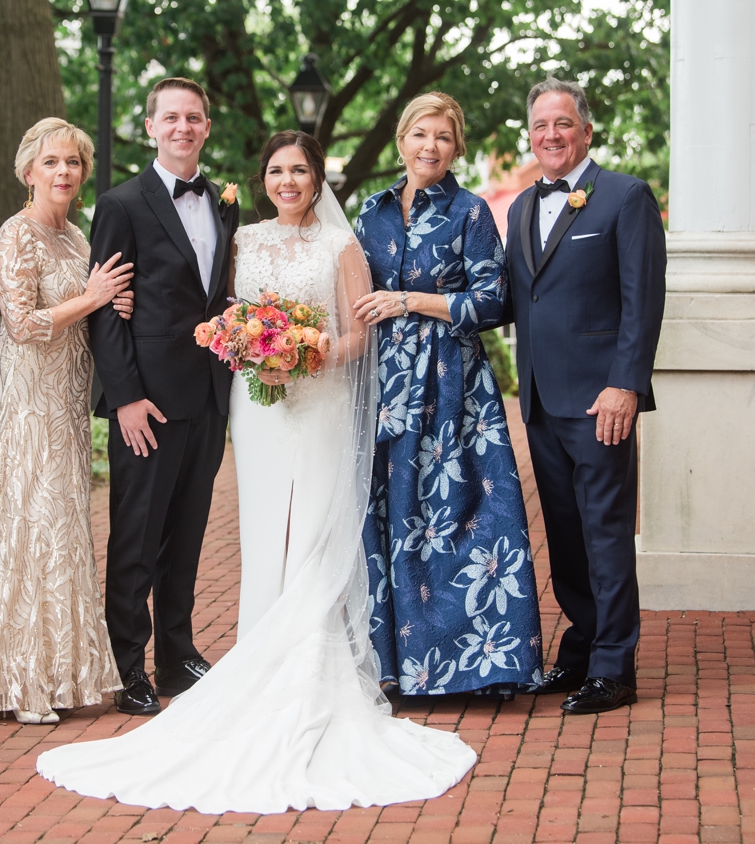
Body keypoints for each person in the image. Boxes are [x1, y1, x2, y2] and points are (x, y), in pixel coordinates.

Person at [36, 132, 477, 814]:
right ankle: (257, 656)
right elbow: (212, 305)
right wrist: (216, 333)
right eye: (276, 169)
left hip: (320, 399)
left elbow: (361, 333)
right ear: (263, 177)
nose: (289, 180)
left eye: (300, 169)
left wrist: (312, 353)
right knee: (266, 530)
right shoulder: (241, 237)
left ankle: (308, 671)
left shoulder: (341, 246)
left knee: (314, 534)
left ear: (316, 176)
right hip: (257, 408)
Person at [0, 118, 134, 725]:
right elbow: (21, 323)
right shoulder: (13, 235)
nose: (64, 173)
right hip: (26, 401)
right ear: (29, 172)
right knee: (27, 523)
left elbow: (92, 309)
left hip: (69, 401)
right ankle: (18, 681)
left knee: (63, 527)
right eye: (51, 162)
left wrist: (115, 302)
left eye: (73, 163)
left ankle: (58, 674)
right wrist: (94, 298)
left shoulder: (79, 240)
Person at [352, 92, 543, 697]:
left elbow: (494, 301)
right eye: (419, 134)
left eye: (442, 136)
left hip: (453, 386)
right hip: (384, 384)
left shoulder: (471, 211)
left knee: (463, 517)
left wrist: (410, 301)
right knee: (387, 513)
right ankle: (393, 667)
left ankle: (476, 668)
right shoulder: (372, 212)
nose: (429, 146)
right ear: (401, 141)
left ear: (456, 147)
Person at [503, 77, 665, 715]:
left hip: (602, 400)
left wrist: (625, 383)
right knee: (565, 535)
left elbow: (642, 301)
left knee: (605, 532)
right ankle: (579, 652)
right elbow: (518, 299)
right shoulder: (519, 208)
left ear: (586, 131)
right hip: (541, 400)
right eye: (540, 126)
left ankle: (614, 668)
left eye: (562, 124)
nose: (550, 136)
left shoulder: (624, 197)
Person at [85, 77, 240, 715]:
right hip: (146, 402)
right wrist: (124, 397)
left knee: (187, 533)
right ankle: (128, 668)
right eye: (170, 117)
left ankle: (177, 655)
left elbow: (221, 295)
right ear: (150, 126)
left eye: (194, 118)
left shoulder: (226, 203)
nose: (183, 127)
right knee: (136, 539)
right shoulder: (121, 204)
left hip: (207, 397)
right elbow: (104, 311)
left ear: (206, 127)